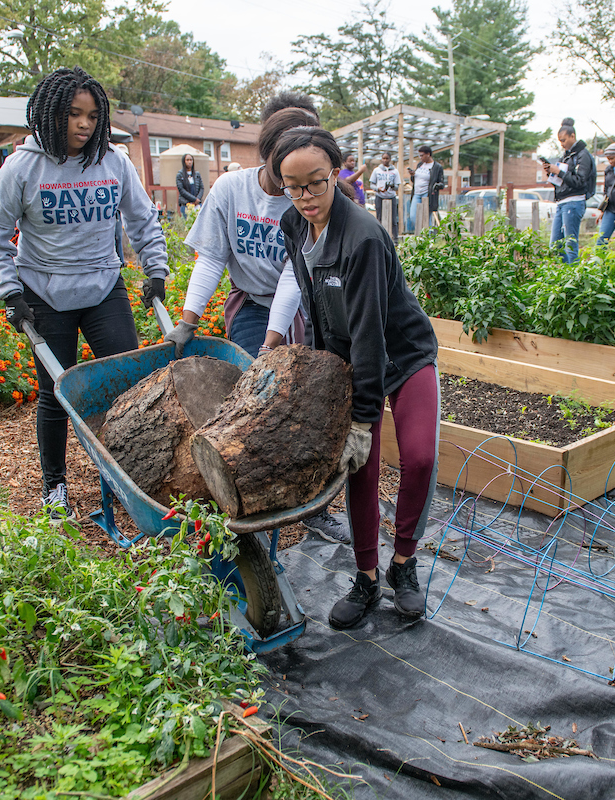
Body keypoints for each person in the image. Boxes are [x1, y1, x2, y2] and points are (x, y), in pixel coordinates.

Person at [0, 67, 168, 521]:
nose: (84, 124)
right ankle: (55, 485)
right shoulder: (22, 167)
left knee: (129, 383)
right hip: (43, 292)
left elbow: (142, 219)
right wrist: (9, 293)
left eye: (93, 115)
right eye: (74, 114)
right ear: (51, 114)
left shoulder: (113, 161)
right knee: (55, 393)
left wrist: (155, 270)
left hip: (104, 286)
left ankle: (129, 474)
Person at [165, 92, 351, 545]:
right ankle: (248, 498)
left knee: (308, 401)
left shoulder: (306, 199)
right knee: (256, 397)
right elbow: (211, 259)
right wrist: (187, 321)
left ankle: (312, 507)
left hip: (305, 303)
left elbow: (294, 276)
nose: (293, 182)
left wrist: (275, 343)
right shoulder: (232, 189)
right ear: (265, 153)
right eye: (282, 168)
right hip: (250, 300)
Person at [272, 126, 440, 629]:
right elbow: (315, 304)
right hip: (348, 357)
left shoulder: (364, 236)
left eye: (316, 183)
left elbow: (371, 333)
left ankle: (403, 565)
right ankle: (366, 577)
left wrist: (363, 421)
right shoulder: (293, 224)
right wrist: (326, 380)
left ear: (337, 174)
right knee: (359, 470)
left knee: (421, 456)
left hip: (403, 354)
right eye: (292, 185)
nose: (305, 197)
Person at [543, 117, 595, 264]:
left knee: (570, 244)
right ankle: (566, 273)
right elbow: (563, 182)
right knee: (555, 245)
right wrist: (552, 173)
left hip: (574, 202)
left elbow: (579, 181)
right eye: (560, 141)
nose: (562, 144)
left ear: (573, 136)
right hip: (562, 202)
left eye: (564, 140)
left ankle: (574, 277)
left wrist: (559, 172)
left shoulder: (583, 155)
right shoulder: (566, 156)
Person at [406, 144, 445, 232]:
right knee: (413, 216)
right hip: (417, 193)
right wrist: (412, 175)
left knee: (427, 218)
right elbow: (415, 180)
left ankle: (429, 239)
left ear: (428, 154)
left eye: (422, 155)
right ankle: (422, 233)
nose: (420, 158)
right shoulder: (420, 165)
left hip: (428, 195)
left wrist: (436, 186)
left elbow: (442, 182)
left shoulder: (436, 167)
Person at [370, 152, 401, 239]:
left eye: (387, 158)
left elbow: (397, 186)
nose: (385, 160)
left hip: (391, 196)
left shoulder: (395, 171)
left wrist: (392, 186)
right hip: (380, 196)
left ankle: (395, 238)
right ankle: (379, 237)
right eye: (383, 158)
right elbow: (372, 184)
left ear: (390, 159)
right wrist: (378, 189)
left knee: (393, 219)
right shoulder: (376, 170)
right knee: (379, 218)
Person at [175, 152, 204, 217]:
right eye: (187, 160)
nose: (189, 162)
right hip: (186, 204)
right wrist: (194, 199)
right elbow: (182, 190)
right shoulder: (180, 175)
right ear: (184, 161)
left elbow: (201, 188)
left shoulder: (197, 174)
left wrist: (198, 199)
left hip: (197, 205)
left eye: (191, 160)